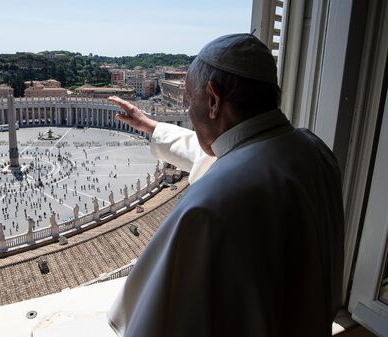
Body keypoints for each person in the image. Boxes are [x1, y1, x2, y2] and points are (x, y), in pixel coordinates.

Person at [107, 34, 344, 337]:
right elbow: (220, 153)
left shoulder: (208, 205)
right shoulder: (315, 151)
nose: (188, 115)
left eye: (188, 102)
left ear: (214, 99)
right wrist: (152, 126)